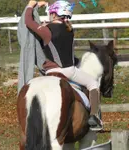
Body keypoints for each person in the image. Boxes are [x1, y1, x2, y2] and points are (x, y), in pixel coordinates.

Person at [25, 0, 103, 131]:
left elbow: (28, 21)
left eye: (51, 13)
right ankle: (94, 117)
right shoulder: (70, 29)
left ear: (54, 14)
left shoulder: (46, 30)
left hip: (49, 71)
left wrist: (31, 5)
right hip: (68, 70)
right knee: (93, 84)